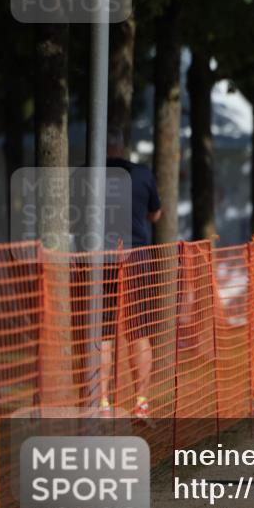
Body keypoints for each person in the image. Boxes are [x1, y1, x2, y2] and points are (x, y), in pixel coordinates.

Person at [99, 130, 162, 420]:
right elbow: (155, 214)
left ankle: (102, 404)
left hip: (101, 258)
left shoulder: (88, 174)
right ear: (122, 147)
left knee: (102, 335)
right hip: (137, 256)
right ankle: (141, 402)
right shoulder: (142, 174)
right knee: (138, 332)